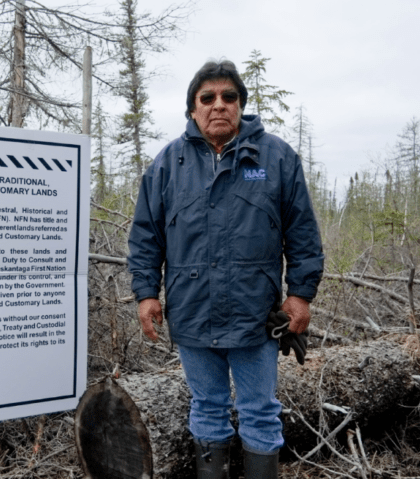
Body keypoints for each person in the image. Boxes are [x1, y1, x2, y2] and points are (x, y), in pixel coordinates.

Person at [127, 60, 324, 479]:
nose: (219, 105)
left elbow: (302, 232)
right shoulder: (168, 164)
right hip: (192, 310)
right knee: (207, 407)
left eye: (229, 97)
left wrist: (301, 294)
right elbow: (146, 235)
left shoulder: (276, 157)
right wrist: (146, 294)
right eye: (208, 97)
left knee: (259, 411)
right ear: (193, 108)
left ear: (240, 105)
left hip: (254, 315)